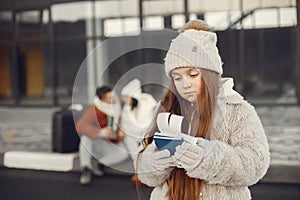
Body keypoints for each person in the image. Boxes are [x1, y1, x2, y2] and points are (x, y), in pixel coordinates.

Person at [135, 20, 270, 200]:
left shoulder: (236, 110)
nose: (185, 84)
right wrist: (153, 162)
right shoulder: (165, 107)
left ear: (210, 73)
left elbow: (255, 163)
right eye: (177, 78)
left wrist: (209, 158)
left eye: (192, 75)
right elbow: (143, 167)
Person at [76, 85, 129, 186]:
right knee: (85, 139)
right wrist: (99, 132)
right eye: (109, 98)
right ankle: (86, 168)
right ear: (102, 100)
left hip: (113, 143)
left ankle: (99, 164)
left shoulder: (120, 106)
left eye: (113, 95)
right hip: (99, 142)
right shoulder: (95, 109)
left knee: (124, 153)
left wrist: (120, 132)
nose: (113, 99)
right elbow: (80, 125)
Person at [119, 79, 157, 183]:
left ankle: (145, 172)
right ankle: (139, 172)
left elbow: (147, 125)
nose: (124, 100)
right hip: (133, 136)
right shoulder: (127, 108)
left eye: (126, 97)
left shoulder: (146, 104)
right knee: (129, 140)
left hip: (146, 135)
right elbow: (126, 126)